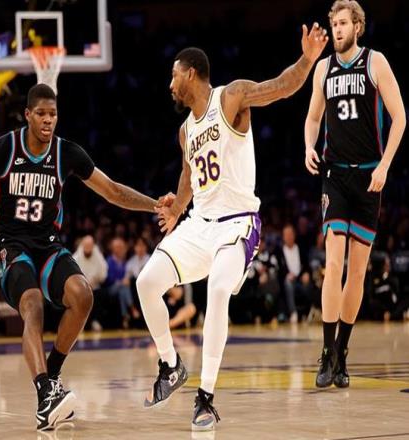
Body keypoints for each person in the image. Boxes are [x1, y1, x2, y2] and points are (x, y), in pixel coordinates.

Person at [0, 84, 172, 431]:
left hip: (47, 244)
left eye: (53, 114)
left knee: (82, 295)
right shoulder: (4, 149)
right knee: (32, 304)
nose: (48, 120)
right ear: (28, 115)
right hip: (10, 244)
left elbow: (112, 191)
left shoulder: (66, 153)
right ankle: (45, 394)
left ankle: (53, 376)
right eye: (41, 113)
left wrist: (156, 205)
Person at [136, 24, 328, 431]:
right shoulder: (185, 130)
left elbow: (281, 87)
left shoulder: (231, 97)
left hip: (238, 222)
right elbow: (188, 175)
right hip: (199, 225)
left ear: (190, 73)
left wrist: (307, 60)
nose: (170, 84)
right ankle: (170, 365)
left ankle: (205, 397)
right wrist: (177, 208)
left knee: (218, 290)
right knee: (146, 283)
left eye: (173, 75)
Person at [304, 0, 406, 388]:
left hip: (368, 177)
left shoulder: (375, 62)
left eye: (344, 23)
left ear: (358, 27)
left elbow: (401, 117)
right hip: (335, 176)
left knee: (358, 272)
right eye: (334, 24)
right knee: (334, 264)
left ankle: (342, 352)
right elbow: (313, 117)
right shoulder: (323, 68)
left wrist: (385, 166)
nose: (337, 29)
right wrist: (308, 145)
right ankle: (326, 353)